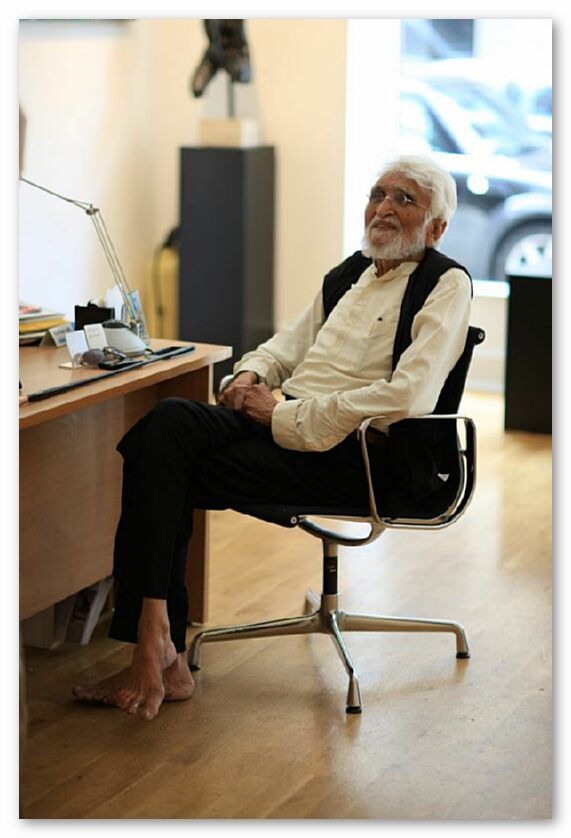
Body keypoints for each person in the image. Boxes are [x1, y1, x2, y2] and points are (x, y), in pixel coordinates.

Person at [72, 154, 472, 721]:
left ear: (436, 228)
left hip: (360, 457)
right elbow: (285, 347)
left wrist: (284, 415)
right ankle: (158, 639)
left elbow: (408, 396)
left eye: (405, 199)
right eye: (378, 194)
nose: (384, 207)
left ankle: (158, 647)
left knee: (161, 460)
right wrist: (249, 376)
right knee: (168, 424)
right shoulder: (351, 274)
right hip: (281, 423)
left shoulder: (446, 284)